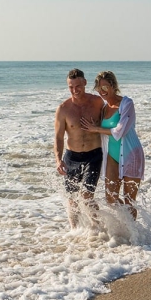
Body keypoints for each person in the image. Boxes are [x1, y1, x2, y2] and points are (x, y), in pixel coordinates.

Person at [81, 71, 145, 219]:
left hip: (131, 154)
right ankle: (125, 226)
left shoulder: (126, 103)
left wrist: (96, 128)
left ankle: (133, 236)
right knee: (111, 199)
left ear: (113, 86)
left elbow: (119, 131)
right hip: (112, 155)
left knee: (129, 202)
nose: (101, 92)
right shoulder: (103, 108)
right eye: (98, 88)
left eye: (104, 88)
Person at [54, 69, 105, 228]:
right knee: (72, 199)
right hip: (72, 158)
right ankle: (74, 231)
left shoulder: (97, 103)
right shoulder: (63, 109)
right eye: (71, 87)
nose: (75, 90)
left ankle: (97, 230)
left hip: (94, 155)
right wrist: (58, 159)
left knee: (87, 195)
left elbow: (110, 124)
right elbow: (58, 137)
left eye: (78, 86)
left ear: (85, 83)